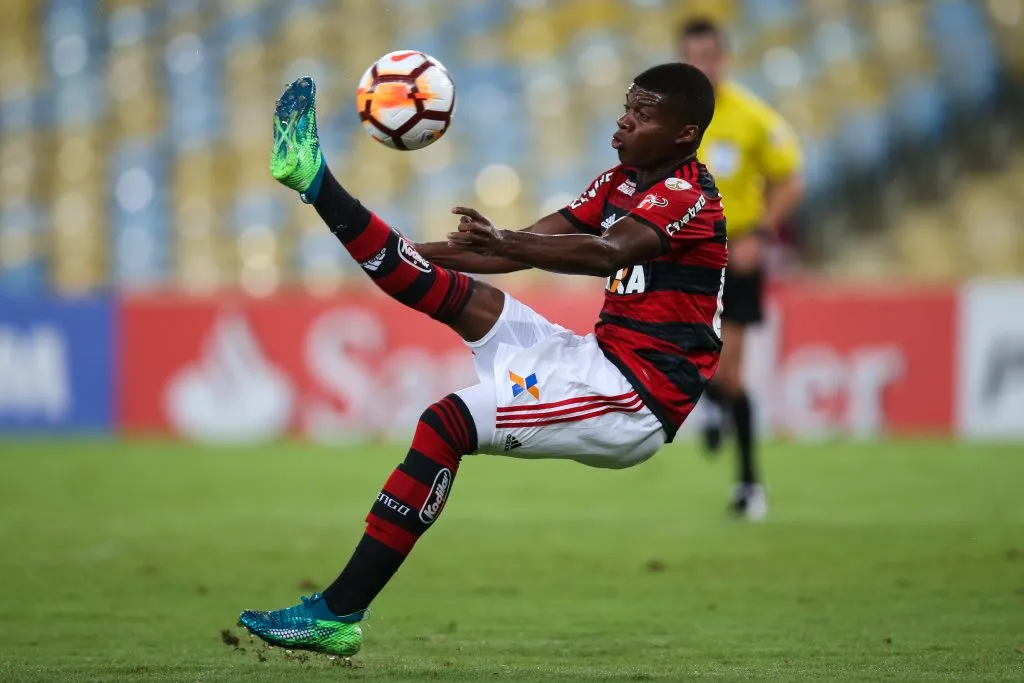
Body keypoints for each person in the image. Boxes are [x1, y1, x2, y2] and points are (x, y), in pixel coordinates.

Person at [239, 62, 726, 657]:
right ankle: (314, 179)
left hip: (638, 396)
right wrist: (387, 251)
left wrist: (503, 242)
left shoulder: (687, 196)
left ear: (684, 133)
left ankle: (337, 613)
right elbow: (505, 251)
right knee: (460, 296)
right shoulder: (619, 182)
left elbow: (604, 253)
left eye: (643, 114)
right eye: (627, 105)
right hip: (599, 358)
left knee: (445, 424)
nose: (623, 121)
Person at [678, 17, 805, 521]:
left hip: (735, 254)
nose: (702, 67)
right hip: (681, 256)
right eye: (693, 58)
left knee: (730, 372)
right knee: (687, 360)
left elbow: (790, 180)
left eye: (710, 57)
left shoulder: (752, 117)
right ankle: (707, 400)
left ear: (724, 59)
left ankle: (750, 484)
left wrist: (760, 233)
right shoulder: (672, 117)